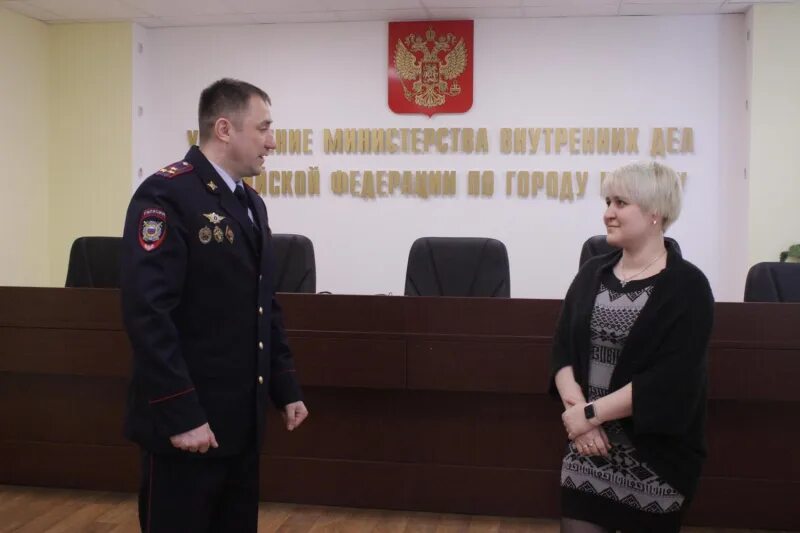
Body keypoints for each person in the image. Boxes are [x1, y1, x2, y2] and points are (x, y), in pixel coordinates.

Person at [120, 78, 309, 533]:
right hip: (187, 429)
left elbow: (262, 303)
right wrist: (182, 413)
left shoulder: (250, 203)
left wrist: (284, 385)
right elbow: (148, 314)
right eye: (263, 128)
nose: (272, 142)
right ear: (224, 129)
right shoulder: (166, 195)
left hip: (239, 425)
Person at [550, 161, 713, 532]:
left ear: (655, 212)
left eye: (620, 203)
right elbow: (562, 351)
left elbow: (669, 380)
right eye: (607, 202)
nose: (608, 213)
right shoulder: (591, 273)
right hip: (589, 449)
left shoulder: (688, 286)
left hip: (656, 457)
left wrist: (590, 415)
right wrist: (581, 421)